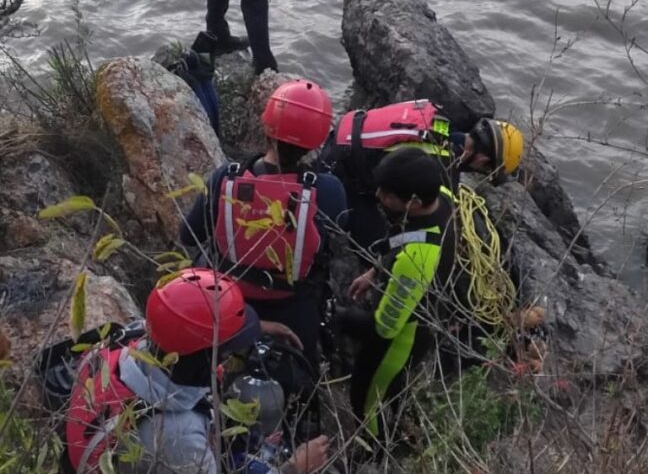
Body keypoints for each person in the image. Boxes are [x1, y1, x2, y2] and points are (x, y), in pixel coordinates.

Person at [64, 268, 331, 474]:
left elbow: (188, 326)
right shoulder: (176, 435)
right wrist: (295, 467)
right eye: (225, 351)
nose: (228, 359)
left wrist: (251, 327)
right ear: (203, 360)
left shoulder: (132, 337)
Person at [181, 79, 348, 370]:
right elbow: (334, 240)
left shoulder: (225, 178)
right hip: (295, 308)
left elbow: (189, 235)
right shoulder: (329, 190)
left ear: (267, 126)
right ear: (318, 138)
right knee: (301, 382)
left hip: (229, 302)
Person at [342, 149, 457, 440]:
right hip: (427, 303)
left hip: (403, 339)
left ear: (413, 203)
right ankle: (400, 418)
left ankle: (374, 451)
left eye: (387, 194)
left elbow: (383, 328)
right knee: (395, 387)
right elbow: (402, 237)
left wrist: (338, 317)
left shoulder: (414, 260)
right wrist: (376, 271)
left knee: (364, 397)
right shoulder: (442, 196)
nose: (379, 196)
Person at [320, 99, 525, 254]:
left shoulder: (442, 119)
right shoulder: (439, 171)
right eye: (487, 172)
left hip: (346, 130)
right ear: (482, 160)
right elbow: (425, 222)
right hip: (341, 169)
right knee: (379, 249)